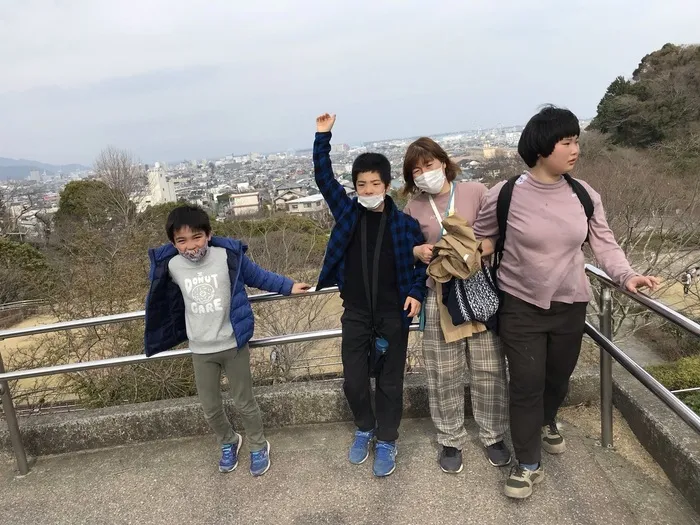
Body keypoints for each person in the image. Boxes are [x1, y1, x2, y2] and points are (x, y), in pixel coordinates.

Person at [473, 105, 660, 499]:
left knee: (557, 378)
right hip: (520, 304)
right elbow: (481, 238)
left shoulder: (584, 194)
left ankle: (547, 420)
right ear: (542, 147)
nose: (576, 149)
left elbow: (605, 244)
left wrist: (627, 276)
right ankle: (527, 464)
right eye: (567, 141)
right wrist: (477, 247)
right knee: (525, 385)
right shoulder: (505, 194)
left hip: (570, 303)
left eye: (576, 140)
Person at [144, 205, 310, 476]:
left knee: (245, 402)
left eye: (196, 237)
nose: (190, 246)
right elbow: (161, 300)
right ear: (173, 243)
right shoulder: (171, 266)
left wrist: (288, 286)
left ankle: (258, 445)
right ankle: (229, 441)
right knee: (210, 408)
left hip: (233, 344)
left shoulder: (227, 256)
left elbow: (258, 276)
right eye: (181, 240)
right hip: (200, 348)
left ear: (208, 234)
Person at [313, 113, 427, 477]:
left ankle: (388, 439)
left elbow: (422, 263)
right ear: (355, 187)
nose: (368, 190)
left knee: (391, 382)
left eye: (375, 184)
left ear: (388, 185)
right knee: (354, 379)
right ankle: (365, 427)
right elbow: (323, 177)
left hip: (395, 313)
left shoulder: (405, 225)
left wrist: (416, 293)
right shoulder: (347, 213)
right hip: (357, 311)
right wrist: (323, 136)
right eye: (361, 184)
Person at [402, 137, 510, 474]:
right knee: (442, 371)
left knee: (489, 366)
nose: (424, 174)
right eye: (416, 170)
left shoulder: (476, 191)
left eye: (429, 165)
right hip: (439, 293)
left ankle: (493, 434)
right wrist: (417, 252)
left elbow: (500, 234)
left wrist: (476, 249)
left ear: (444, 162)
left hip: (478, 288)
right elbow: (407, 251)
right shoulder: (412, 208)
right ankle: (450, 438)